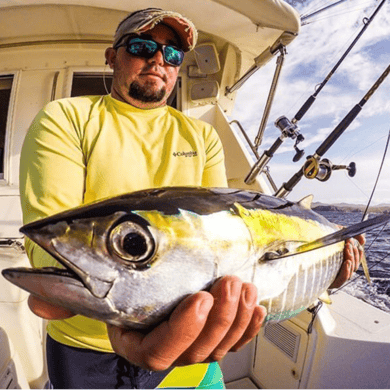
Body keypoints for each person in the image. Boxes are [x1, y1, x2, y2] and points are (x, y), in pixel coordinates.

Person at [20, 7, 364, 390]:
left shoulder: (201, 137)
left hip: (191, 351)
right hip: (85, 350)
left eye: (171, 54)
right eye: (141, 46)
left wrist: (326, 272)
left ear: (178, 68)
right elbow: (50, 264)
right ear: (113, 55)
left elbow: (220, 242)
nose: (157, 59)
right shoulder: (66, 117)